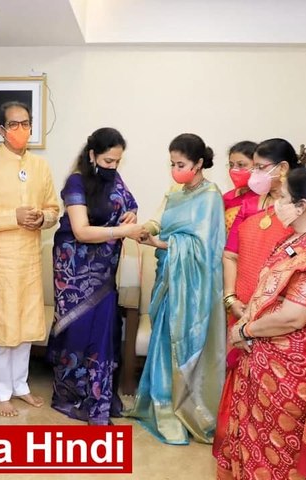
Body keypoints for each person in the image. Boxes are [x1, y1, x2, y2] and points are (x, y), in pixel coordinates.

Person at [216, 168, 306, 480]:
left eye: (282, 198)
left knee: (279, 453)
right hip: (265, 359)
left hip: (291, 371)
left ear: (301, 206)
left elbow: (293, 316)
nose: (276, 204)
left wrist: (243, 329)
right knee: (257, 443)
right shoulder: (300, 239)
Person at [125, 133, 226, 444]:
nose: (175, 170)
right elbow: (158, 220)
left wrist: (161, 243)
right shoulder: (174, 192)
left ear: (198, 163)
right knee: (164, 339)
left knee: (185, 341)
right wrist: (145, 229)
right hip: (169, 278)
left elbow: (204, 248)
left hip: (194, 286)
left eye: (181, 164)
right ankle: (162, 402)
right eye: (172, 164)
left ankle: (190, 409)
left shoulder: (211, 196)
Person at [0, 101, 60, 417]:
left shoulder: (40, 166)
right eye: (14, 124)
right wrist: (11, 217)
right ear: (1, 130)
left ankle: (20, 385)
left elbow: (53, 209)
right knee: (2, 329)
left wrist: (42, 218)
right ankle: (1, 391)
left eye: (26, 123)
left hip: (29, 260)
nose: (21, 129)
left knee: (25, 327)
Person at [47, 128, 143, 425]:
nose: (113, 166)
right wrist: (122, 230)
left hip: (104, 270)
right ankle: (71, 395)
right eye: (108, 160)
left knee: (104, 330)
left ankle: (99, 396)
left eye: (117, 161)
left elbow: (129, 206)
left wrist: (131, 216)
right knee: (78, 329)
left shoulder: (115, 180)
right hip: (74, 270)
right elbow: (81, 231)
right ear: (92, 155)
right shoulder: (76, 183)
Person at [222, 141, 259, 232]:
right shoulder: (226, 198)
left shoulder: (264, 199)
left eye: (241, 165)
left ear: (257, 166)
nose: (234, 169)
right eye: (231, 165)